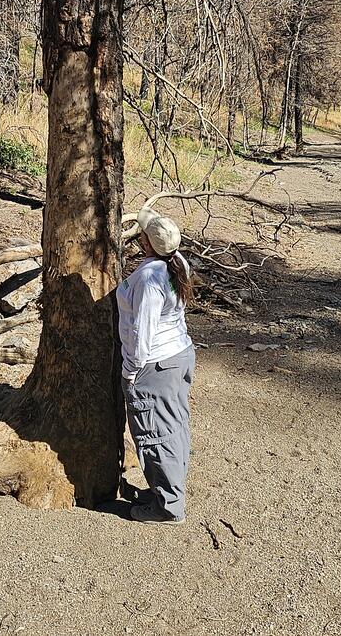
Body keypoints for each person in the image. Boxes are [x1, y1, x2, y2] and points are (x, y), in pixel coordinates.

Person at [116, 206, 196, 525]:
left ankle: (168, 505)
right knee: (173, 424)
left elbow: (142, 332)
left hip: (155, 364)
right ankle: (167, 489)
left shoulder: (150, 278)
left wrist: (131, 372)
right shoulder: (178, 262)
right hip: (179, 354)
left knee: (153, 432)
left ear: (147, 244)